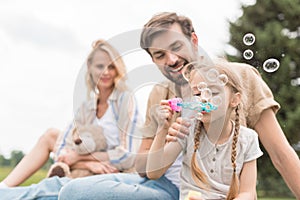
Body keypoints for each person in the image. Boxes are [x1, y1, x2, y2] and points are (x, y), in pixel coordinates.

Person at [60, 12, 299, 199]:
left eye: (176, 47)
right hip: (161, 184)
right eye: (160, 55)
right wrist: (163, 133)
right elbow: (145, 167)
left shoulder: (241, 79)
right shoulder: (161, 93)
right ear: (152, 60)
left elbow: (280, 154)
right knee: (70, 191)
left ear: (194, 40)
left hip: (203, 192)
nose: (171, 60)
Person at [0, 39, 142, 199]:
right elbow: (62, 147)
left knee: (47, 188)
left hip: (115, 170)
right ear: (90, 68)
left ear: (118, 69)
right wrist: (88, 163)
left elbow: (127, 155)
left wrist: (79, 157)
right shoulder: (86, 107)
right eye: (100, 66)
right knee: (51, 135)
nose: (106, 72)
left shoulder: (125, 100)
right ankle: (4, 187)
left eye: (111, 67)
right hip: (89, 169)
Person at [147, 61, 263, 200]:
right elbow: (153, 172)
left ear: (234, 99)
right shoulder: (187, 130)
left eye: (212, 92)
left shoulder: (248, 139)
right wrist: (162, 130)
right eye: (197, 93)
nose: (203, 99)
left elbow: (248, 193)